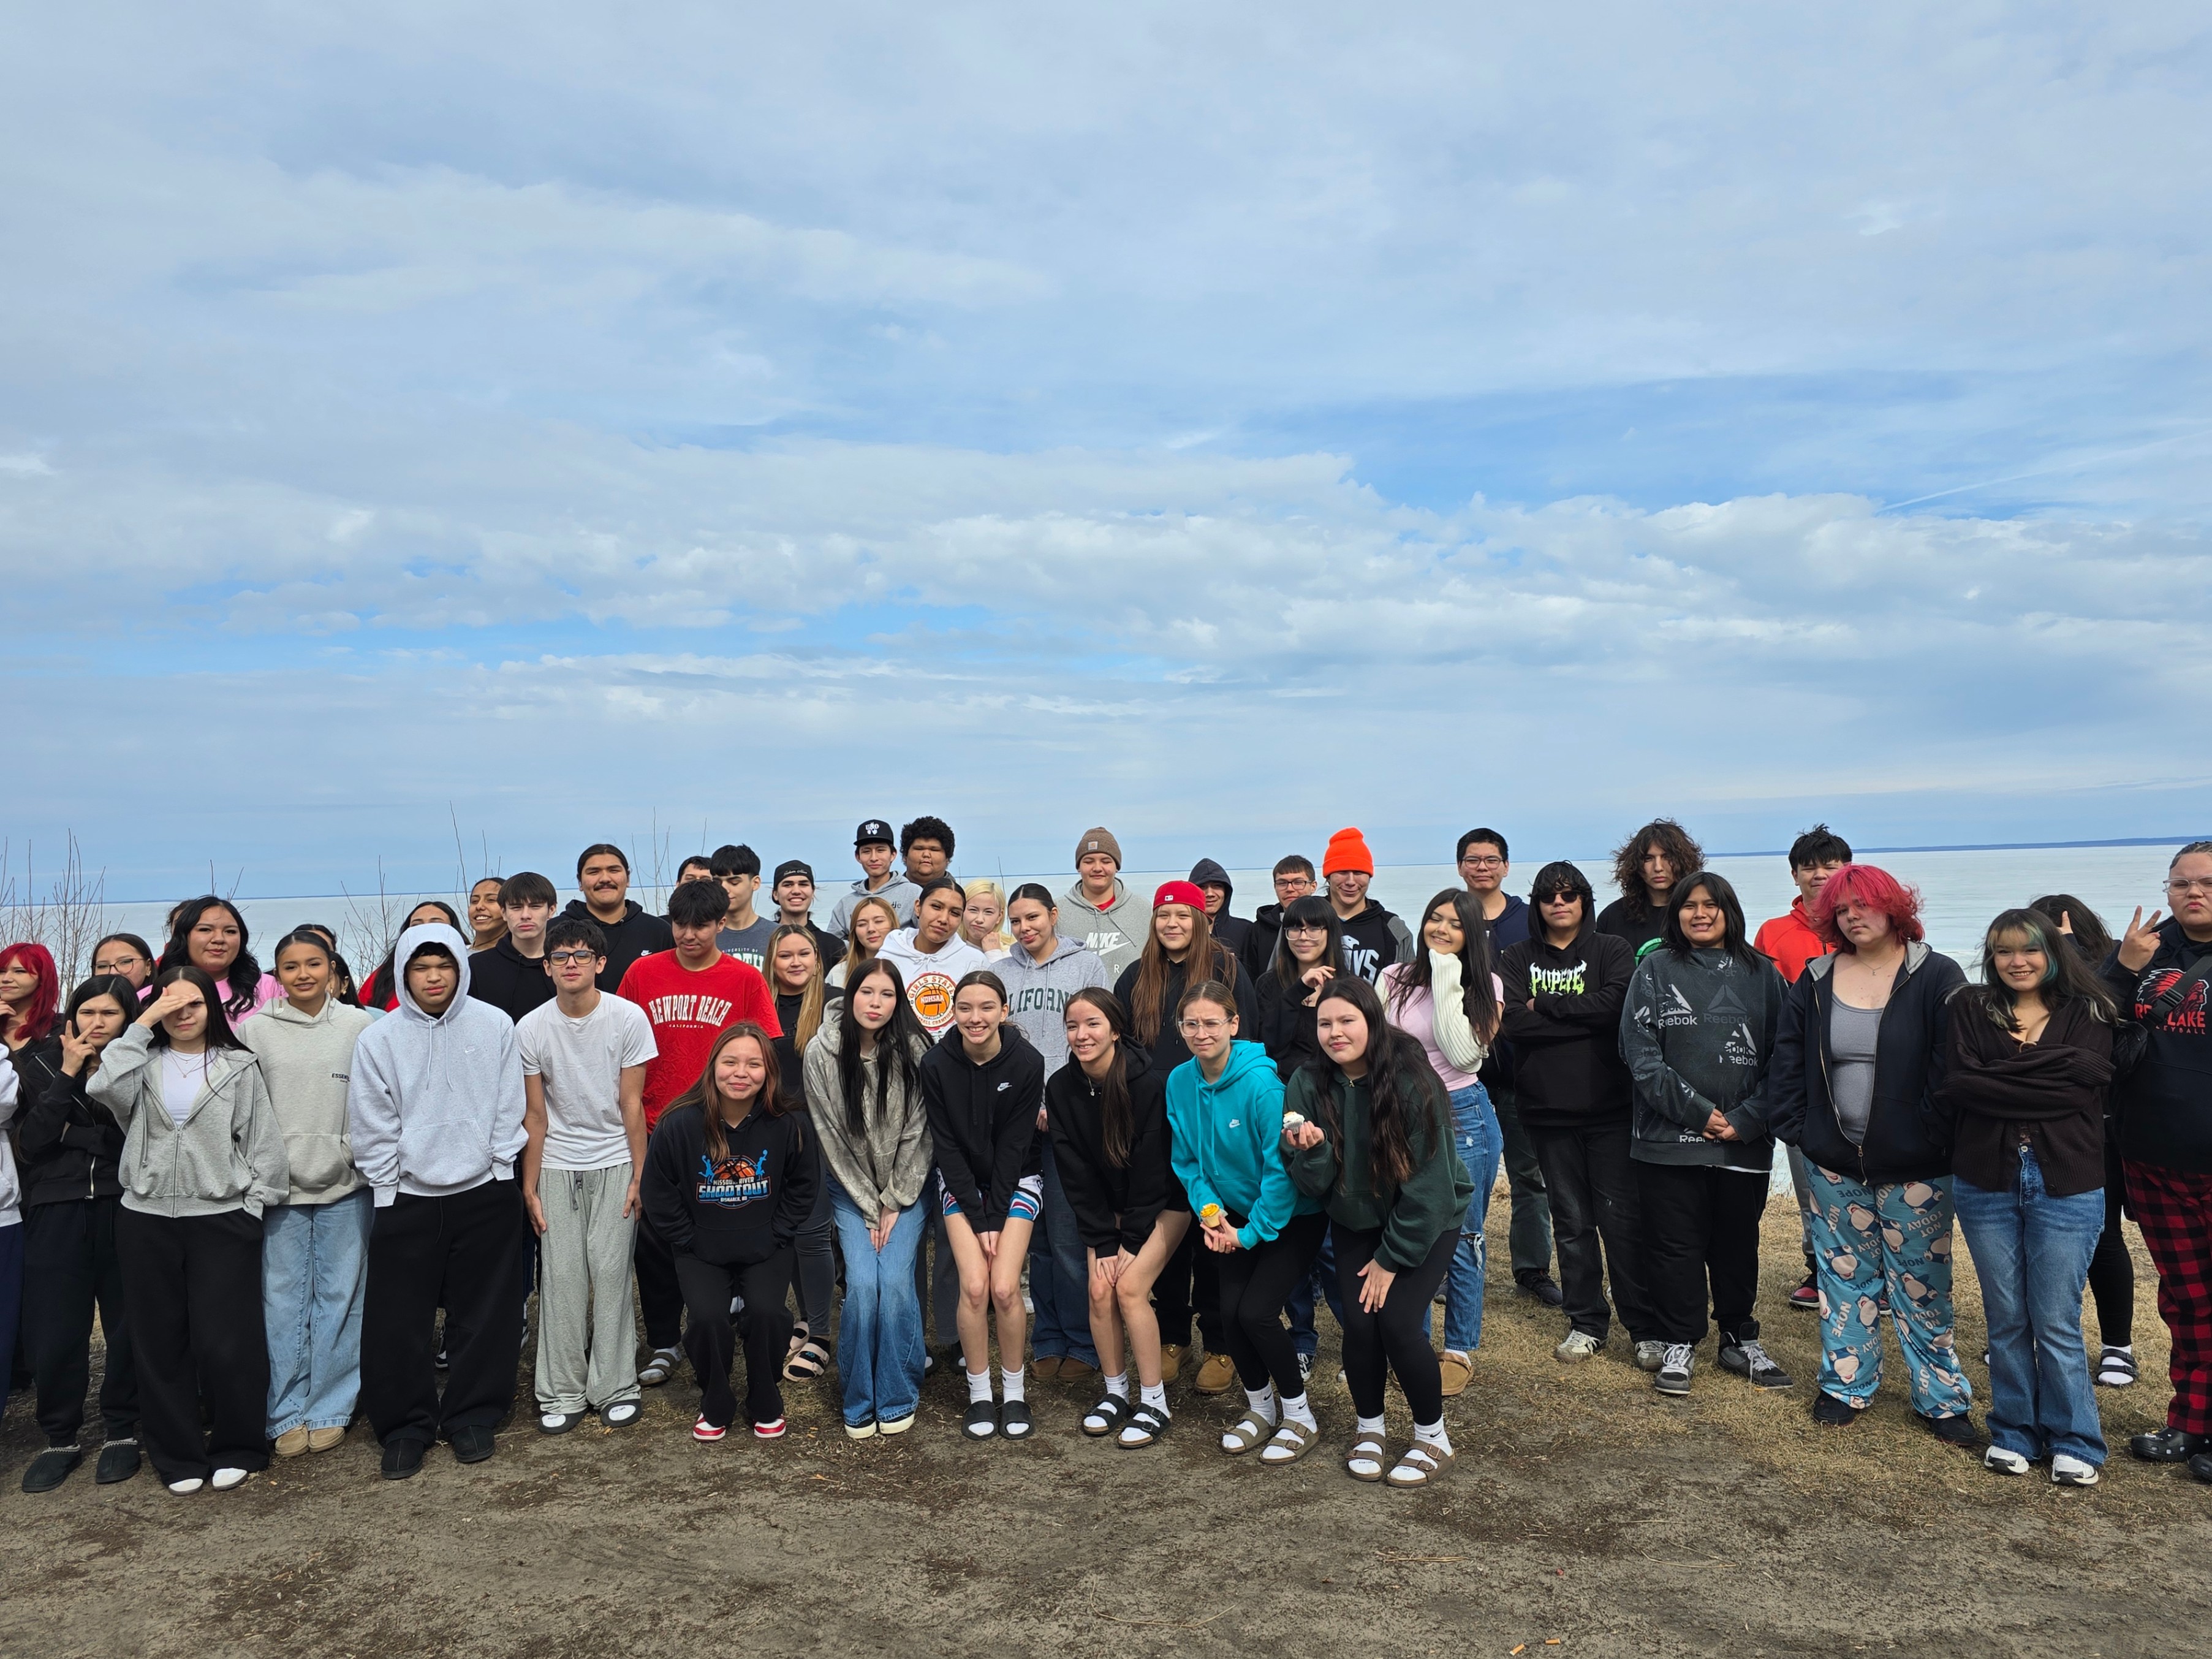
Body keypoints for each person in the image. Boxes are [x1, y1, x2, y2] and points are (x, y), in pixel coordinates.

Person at [1768, 864, 1974, 1443]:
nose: (1852, 916)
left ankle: (1941, 1398)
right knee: (1843, 1276)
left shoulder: (1935, 975)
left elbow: (1953, 1064)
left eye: (1864, 904)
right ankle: (1845, 1384)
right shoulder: (1816, 977)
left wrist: (1931, 1135)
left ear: (1895, 906)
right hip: (1834, 1161)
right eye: (1841, 908)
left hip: (1918, 1165)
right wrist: (1800, 1130)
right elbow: (1788, 1057)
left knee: (1922, 1283)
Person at [89, 968, 287, 1495]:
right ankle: (177, 1456)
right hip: (146, 1217)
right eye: (170, 1005)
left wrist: (254, 1206)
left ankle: (239, 1445)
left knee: (227, 1341)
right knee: (159, 1341)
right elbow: (101, 1085)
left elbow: (263, 1141)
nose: (183, 1014)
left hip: (221, 1217)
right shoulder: (140, 1064)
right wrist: (142, 1022)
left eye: (194, 1003)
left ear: (211, 1008)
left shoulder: (238, 1065)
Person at [1942, 908, 2116, 1486]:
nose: (2017, 961)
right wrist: (2054, 1067)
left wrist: (1998, 1077)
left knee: (2056, 1317)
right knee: (2006, 1315)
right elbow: (1961, 1084)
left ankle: (2076, 1440)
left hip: (2067, 1178)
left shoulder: (2089, 1010)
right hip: (1985, 1179)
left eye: (2030, 949)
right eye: (2003, 950)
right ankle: (2014, 1431)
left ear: (2052, 952)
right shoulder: (1970, 1007)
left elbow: (2082, 1088)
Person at [348, 924, 528, 1479]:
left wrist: (498, 1166)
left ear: (460, 968)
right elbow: (371, 1119)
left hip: (485, 1190)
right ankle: (406, 1425)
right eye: (421, 967)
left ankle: (473, 1413)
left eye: (444, 965)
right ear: (404, 974)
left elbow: (510, 1103)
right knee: (398, 1319)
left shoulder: (494, 1024)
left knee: (486, 1313)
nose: (433, 977)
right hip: (406, 1196)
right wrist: (388, 1183)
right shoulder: (379, 1039)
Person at [1286, 977, 1475, 1486]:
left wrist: (1391, 1258)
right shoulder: (1307, 1082)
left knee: (1397, 1322)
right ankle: (1370, 1428)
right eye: (1325, 1023)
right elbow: (1312, 1184)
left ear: (1372, 1020)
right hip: (1356, 1218)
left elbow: (1432, 1186)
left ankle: (1433, 1437)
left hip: (1427, 1215)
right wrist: (1312, 1151)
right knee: (1360, 1323)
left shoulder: (1412, 1077)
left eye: (1347, 1020)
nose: (1335, 1032)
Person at [1620, 871, 1791, 1400]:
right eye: (1688, 905)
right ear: (1675, 914)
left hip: (1744, 1141)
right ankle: (1680, 1340)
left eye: (1710, 904)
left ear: (1729, 911)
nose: (1700, 913)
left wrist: (1749, 1117)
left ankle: (1739, 1338)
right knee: (1674, 1245)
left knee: (1737, 1243)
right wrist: (1697, 1113)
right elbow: (1638, 1052)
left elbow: (1786, 1057)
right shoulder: (1654, 969)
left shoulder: (1765, 974)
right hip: (1666, 1141)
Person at [617, 878, 781, 1391]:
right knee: (654, 1236)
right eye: (680, 924)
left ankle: (725, 1320)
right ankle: (664, 1339)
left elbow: (767, 1049)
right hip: (654, 1123)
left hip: (722, 1126)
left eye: (701, 925)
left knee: (722, 1223)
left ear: (721, 924)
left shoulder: (744, 978)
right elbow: (617, 1039)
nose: (689, 935)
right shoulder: (643, 973)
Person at [1498, 864, 1658, 1367]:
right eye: (1549, 896)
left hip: (1610, 1109)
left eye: (1569, 895)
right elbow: (1512, 1023)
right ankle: (1586, 1322)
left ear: (1584, 901)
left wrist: (1546, 1005)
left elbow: (1617, 1007)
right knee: (1571, 1222)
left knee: (1622, 1220)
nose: (1559, 903)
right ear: (1538, 905)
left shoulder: (1611, 948)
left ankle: (1644, 1327)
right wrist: (1582, 1017)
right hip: (1546, 1112)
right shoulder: (1515, 956)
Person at [1167, 980, 1328, 1463]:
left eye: (1211, 1022)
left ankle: (1299, 1414)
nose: (1201, 1032)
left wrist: (1250, 1234)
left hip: (1291, 1215)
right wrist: (1211, 1214)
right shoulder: (1179, 1081)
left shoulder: (1262, 1084)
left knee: (1257, 1312)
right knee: (1230, 1312)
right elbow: (1187, 1160)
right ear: (1180, 1027)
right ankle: (1260, 1408)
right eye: (1191, 1023)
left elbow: (1280, 1170)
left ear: (1233, 1024)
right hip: (1232, 1216)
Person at [1116, 881, 1259, 1390]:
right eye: (1163, 915)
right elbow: (1123, 1046)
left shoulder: (1227, 970)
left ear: (1201, 920)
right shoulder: (1137, 975)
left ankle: (1220, 1341)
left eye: (1182, 915)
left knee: (1213, 1227)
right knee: (1168, 1234)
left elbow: (1249, 1039)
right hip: (1156, 1121)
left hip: (1214, 1120)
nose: (1172, 923)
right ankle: (1172, 1333)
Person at [239, 930, 376, 1459]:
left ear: (332, 968)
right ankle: (286, 1409)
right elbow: (245, 1106)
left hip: (346, 1182)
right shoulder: (256, 1029)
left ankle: (331, 1406)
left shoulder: (358, 1025)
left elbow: (374, 1098)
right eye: (291, 966)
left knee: (342, 1295)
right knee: (283, 1300)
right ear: (277, 974)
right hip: (279, 1188)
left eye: (313, 963)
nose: (303, 974)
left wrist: (349, 1150)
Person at [643, 1022, 815, 1441]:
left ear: (769, 1071)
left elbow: (804, 1185)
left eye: (754, 1064)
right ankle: (716, 1399)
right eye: (730, 1062)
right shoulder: (679, 1122)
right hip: (700, 1247)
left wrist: (777, 1233)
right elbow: (658, 1191)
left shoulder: (790, 1122)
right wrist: (689, 1239)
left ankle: (765, 1396)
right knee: (706, 1318)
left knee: (768, 1313)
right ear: (712, 1066)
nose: (741, 1073)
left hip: (766, 1244)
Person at [518, 916, 656, 1435]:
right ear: (547, 966)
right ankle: (562, 1389)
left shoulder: (628, 1017)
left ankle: (616, 1385)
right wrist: (530, 1186)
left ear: (600, 962)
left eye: (581, 955)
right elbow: (536, 1115)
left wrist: (640, 1174)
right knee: (561, 1279)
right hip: (557, 1163)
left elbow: (632, 1103)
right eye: (560, 956)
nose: (570, 963)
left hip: (616, 1158)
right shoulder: (531, 1027)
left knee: (613, 1272)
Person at [2102, 841, 2212, 1477]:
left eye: (2207, 883)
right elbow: (2089, 1023)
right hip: (2153, 1155)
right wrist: (2121, 967)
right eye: (2180, 883)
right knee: (2187, 1298)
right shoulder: (2146, 949)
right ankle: (2190, 1421)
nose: (2193, 893)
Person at [1050, 988, 1191, 1447]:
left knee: (1129, 1288)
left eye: (1092, 1024)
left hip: (1166, 1204)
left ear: (1115, 1030)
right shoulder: (1061, 1087)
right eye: (1073, 1025)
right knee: (1098, 1289)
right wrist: (1103, 1238)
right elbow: (1075, 1174)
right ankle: (1115, 1392)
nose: (1081, 1034)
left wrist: (1130, 1239)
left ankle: (1155, 1402)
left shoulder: (1148, 1084)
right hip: (1108, 1211)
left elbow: (1154, 1171)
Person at [16, 977, 141, 1492]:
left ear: (128, 1019)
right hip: (55, 1206)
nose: (97, 1022)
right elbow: (31, 1142)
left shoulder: (138, 1065)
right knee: (56, 1328)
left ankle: (122, 1428)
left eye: (110, 1013)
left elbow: (133, 1141)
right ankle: (60, 1437)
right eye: (87, 1011)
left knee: (126, 1323)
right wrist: (68, 1072)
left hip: (122, 1202)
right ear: (72, 1016)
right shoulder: (40, 1064)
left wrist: (72, 1133)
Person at [804, 962, 935, 1438]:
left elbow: (921, 1132)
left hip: (908, 1188)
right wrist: (867, 1203)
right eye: (866, 991)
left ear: (899, 1001)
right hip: (850, 1190)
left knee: (894, 1282)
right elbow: (830, 1138)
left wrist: (894, 1199)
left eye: (887, 994)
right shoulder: (821, 1052)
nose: (875, 1002)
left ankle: (897, 1392)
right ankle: (859, 1397)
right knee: (862, 1285)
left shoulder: (915, 1049)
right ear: (851, 994)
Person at [1380, 889, 1502, 1399]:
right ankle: (1414, 1340)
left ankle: (1459, 1347)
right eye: (1435, 918)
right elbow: (1378, 1046)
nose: (1441, 928)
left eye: (1454, 923)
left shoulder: (1486, 985)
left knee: (1463, 1234)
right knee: (1411, 1226)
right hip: (1402, 1113)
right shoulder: (1393, 977)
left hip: (1463, 1114)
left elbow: (1463, 1055)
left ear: (1471, 933)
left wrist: (1447, 974)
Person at [922, 972, 1047, 1439]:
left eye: (987, 1007)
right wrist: (978, 1215)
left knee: (1005, 1287)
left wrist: (995, 1216)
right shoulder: (935, 1063)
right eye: (966, 1008)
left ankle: (1013, 1392)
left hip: (1018, 1177)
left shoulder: (1028, 1060)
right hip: (961, 1182)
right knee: (975, 1287)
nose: (976, 1018)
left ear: (1004, 1010)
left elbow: (1016, 1145)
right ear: (953, 1011)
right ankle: (979, 1394)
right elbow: (946, 1147)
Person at [999, 886, 1112, 1385]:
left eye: (1033, 917)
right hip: (1017, 1123)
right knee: (1036, 1239)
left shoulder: (1086, 965)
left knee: (1068, 1235)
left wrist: (1057, 1103)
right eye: (1016, 920)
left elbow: (1095, 1038)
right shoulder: (1002, 972)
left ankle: (1082, 1340)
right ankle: (1047, 1337)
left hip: (1069, 1117)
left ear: (1053, 914)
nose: (1025, 928)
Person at [2029, 894, 2136, 1389]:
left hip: (2102, 1126)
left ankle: (2118, 1345)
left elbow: (2103, 1015)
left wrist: (2071, 955)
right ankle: (2038, 1332)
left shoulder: (2117, 971)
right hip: (2037, 1126)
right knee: (2035, 1234)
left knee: (2104, 1235)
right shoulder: (2023, 985)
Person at [1754, 824, 1855, 1313]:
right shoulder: (1774, 932)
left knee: (1864, 1175)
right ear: (1794, 874)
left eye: (1830, 865)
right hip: (1799, 1076)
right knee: (1807, 1178)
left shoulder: (1865, 926)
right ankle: (1818, 1269)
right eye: (1809, 866)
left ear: (1848, 870)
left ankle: (1868, 1268)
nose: (1819, 874)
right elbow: (1762, 1005)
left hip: (1860, 1073)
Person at [1456, 828, 1558, 1310]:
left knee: (1530, 1174)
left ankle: (1533, 1269)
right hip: (1462, 1071)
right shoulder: (1450, 917)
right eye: (1473, 859)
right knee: (1458, 1176)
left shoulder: (1528, 918)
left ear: (1506, 866)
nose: (1482, 867)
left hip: (1523, 1066)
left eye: (1491, 859)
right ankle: (1451, 1265)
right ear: (1461, 866)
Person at [764, 924, 836, 1386]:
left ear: (817, 958)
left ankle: (822, 1335)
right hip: (770, 1132)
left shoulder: (834, 1004)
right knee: (787, 1232)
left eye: (803, 953)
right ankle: (807, 1319)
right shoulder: (758, 1003)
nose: (795, 962)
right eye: (785, 954)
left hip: (818, 1133)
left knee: (812, 1234)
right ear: (772, 960)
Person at [877, 876, 988, 1040]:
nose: (943, 919)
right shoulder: (889, 956)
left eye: (955, 913)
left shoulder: (975, 962)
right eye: (936, 907)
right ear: (918, 907)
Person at [564, 844, 675, 992]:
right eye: (594, 872)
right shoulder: (557, 931)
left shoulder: (658, 931)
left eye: (614, 870)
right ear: (580, 882)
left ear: (628, 878)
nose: (605, 879)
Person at [1256, 895, 1341, 1079]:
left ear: (1330, 932)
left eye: (1314, 929)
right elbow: (1271, 1047)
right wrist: (1298, 991)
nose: (1303, 937)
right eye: (1295, 929)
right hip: (1283, 1085)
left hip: (1334, 1084)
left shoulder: (1347, 985)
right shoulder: (1268, 983)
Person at [156, 897, 283, 1022]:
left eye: (230, 931)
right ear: (183, 937)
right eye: (205, 930)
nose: (219, 939)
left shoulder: (272, 988)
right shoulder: (159, 993)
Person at [1320, 829, 1415, 984]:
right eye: (1342, 872)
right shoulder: (1306, 921)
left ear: (1369, 877)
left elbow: (1409, 988)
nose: (1351, 881)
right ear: (1328, 877)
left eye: (1359, 873)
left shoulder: (1394, 929)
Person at [1599, 820, 1705, 959]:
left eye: (1667, 857)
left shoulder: (1700, 915)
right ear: (1636, 865)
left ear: (1683, 861)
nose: (1658, 867)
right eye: (1648, 859)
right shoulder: (1613, 917)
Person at [467, 871, 559, 1023]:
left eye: (535, 906)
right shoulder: (477, 967)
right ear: (504, 912)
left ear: (551, 910)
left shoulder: (568, 963)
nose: (525, 915)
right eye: (516, 907)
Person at [1062, 827, 1149, 978]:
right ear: (1079, 867)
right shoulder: (1059, 911)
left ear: (1117, 867)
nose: (1097, 868)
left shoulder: (1142, 908)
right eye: (1089, 862)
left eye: (1106, 861)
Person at [357, 901, 463, 1012]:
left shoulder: (471, 968)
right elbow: (363, 1013)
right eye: (416, 926)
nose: (425, 930)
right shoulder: (383, 975)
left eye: (436, 925)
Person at [829, 819, 921, 933]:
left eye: (880, 850)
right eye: (866, 851)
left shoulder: (913, 893)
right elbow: (833, 942)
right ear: (858, 857)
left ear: (893, 855)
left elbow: (925, 935)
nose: (874, 858)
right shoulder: (846, 904)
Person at [1241, 856, 1317, 987]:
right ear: (1275, 887)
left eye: (1298, 882)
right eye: (1282, 883)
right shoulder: (1260, 929)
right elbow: (1250, 976)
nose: (1290, 889)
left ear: (1313, 886)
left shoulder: (1326, 923)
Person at [711, 845, 777, 970]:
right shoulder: (706, 935)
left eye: (734, 882)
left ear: (755, 883)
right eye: (717, 882)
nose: (724, 888)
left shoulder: (777, 935)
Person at [771, 859, 845, 963]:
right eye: (788, 885)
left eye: (803, 884)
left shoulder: (833, 946)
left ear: (813, 892)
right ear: (775, 894)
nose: (796, 891)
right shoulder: (762, 938)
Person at [1, 941, 59, 1060]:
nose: (6, 979)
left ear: (42, 978)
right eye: (1, 971)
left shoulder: (59, 1029)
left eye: (19, 971)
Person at [827, 895, 899, 990]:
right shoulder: (838, 973)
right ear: (855, 932)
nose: (871, 929)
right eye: (862, 924)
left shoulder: (909, 968)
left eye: (879, 921)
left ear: (892, 925)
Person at [1189, 859, 1252, 960]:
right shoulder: (1183, 932)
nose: (1210, 894)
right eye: (1202, 887)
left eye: (1217, 886)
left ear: (1226, 891)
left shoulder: (1246, 930)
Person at [959, 879, 1013, 962]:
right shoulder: (949, 947)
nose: (979, 919)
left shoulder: (1012, 953)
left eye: (988, 912)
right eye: (973, 910)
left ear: (999, 916)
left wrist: (994, 954)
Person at [91, 934, 157, 999]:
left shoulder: (161, 1001)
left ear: (148, 967)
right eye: (102, 966)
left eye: (125, 962)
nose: (113, 972)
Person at [466, 877, 507, 952]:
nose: (479, 906)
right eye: (474, 901)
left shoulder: (518, 956)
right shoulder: (458, 954)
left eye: (491, 900)